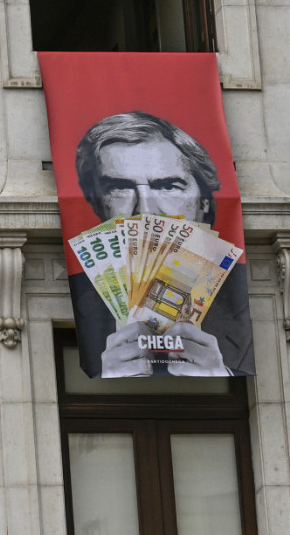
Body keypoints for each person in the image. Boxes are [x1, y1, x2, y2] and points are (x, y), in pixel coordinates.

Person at [70, 110, 251, 378]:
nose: (145, 210)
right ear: (97, 203)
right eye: (119, 187)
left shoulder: (244, 302)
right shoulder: (77, 299)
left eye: (168, 186)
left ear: (204, 202)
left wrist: (221, 372)